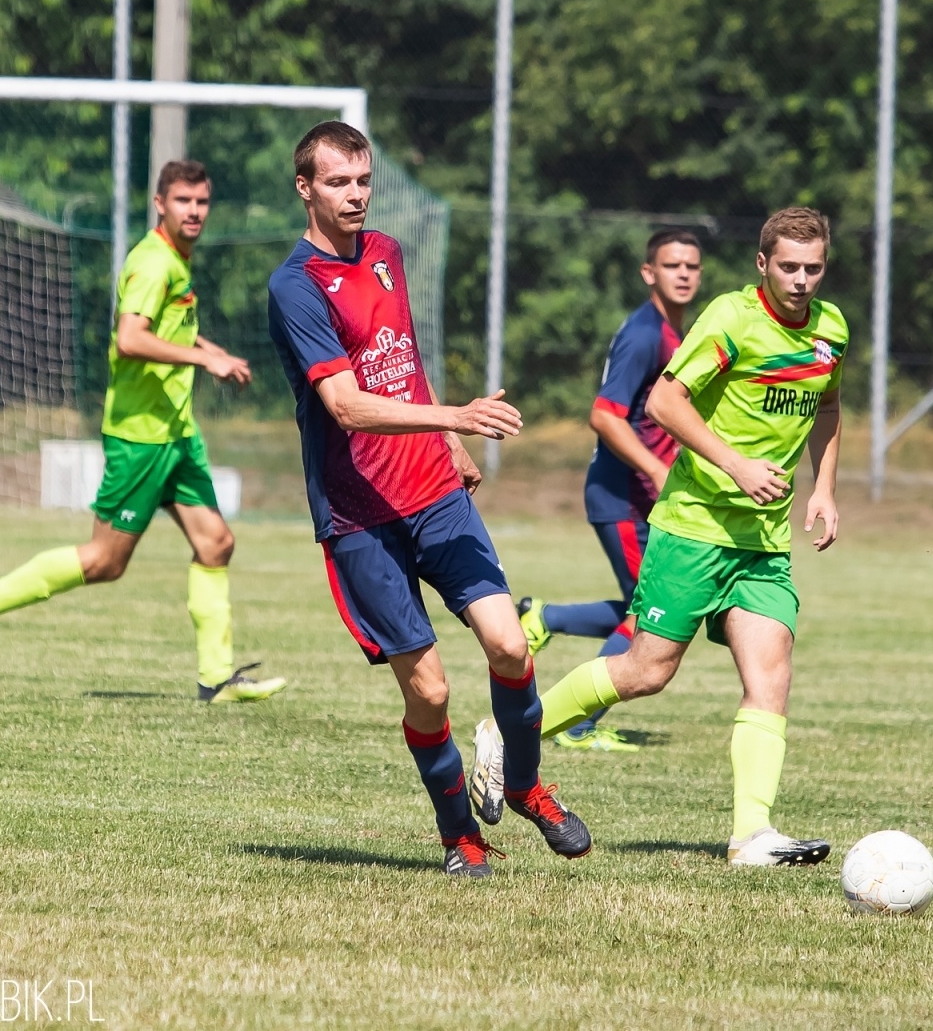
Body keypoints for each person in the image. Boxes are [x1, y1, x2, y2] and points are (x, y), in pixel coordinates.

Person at [266, 120, 590, 878]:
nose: (355, 195)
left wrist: (447, 442)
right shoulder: (296, 286)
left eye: (363, 180)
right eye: (338, 182)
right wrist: (457, 417)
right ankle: (460, 837)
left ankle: (525, 785)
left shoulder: (385, 254)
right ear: (305, 188)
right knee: (433, 692)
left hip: (432, 489)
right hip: (358, 517)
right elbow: (346, 406)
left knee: (510, 645)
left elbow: (400, 359)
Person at [474, 207, 846, 867]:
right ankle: (506, 737)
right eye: (788, 266)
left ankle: (751, 836)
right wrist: (734, 464)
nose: (801, 280)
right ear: (762, 265)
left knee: (772, 677)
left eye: (813, 268)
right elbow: (664, 404)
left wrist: (822, 488)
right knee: (648, 671)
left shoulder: (831, 329)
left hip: (761, 543)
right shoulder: (732, 319)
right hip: (694, 529)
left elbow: (828, 404)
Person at [0, 161, 286, 704]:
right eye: (183, 201)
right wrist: (204, 364)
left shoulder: (175, 258)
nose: (194, 211)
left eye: (201, 201)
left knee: (216, 542)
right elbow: (131, 339)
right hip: (140, 439)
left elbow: (166, 330)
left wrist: (207, 349)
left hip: (175, 434)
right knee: (105, 561)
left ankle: (217, 679)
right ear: (160, 204)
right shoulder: (153, 263)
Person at [516, 229, 703, 752]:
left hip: (640, 498)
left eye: (692, 266)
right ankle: (576, 725)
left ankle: (544, 617)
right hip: (622, 496)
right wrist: (658, 470)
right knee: (649, 614)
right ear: (650, 273)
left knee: (638, 604)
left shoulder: (672, 331)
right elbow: (605, 415)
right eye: (672, 265)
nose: (684, 274)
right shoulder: (646, 333)